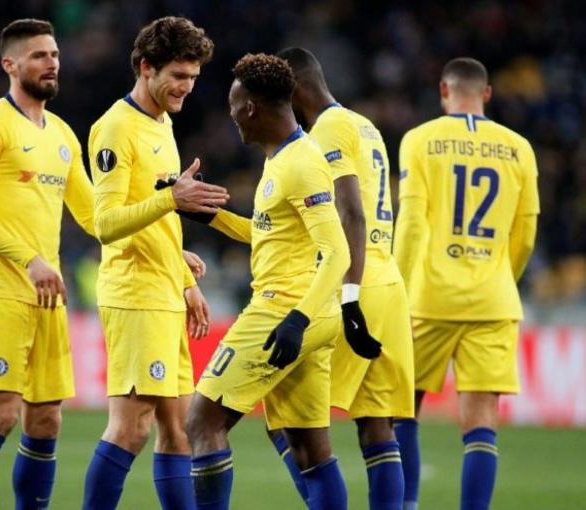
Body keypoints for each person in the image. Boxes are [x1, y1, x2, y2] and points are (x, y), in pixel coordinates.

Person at [184, 53, 352, 510]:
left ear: (251, 108)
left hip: (283, 312)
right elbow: (267, 233)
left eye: (233, 107)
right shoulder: (284, 159)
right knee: (310, 451)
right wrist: (208, 215)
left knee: (202, 423)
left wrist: (296, 319)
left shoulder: (301, 164)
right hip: (312, 314)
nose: (232, 116)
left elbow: (338, 251)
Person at [0, 19, 97, 509]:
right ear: (9, 65)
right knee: (0, 414)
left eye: (54, 54)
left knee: (47, 420)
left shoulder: (63, 135)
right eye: (39, 56)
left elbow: (95, 216)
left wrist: (166, 243)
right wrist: (30, 259)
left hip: (47, 295)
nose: (51, 63)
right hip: (0, 289)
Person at [82, 16, 224, 510]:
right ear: (146, 67)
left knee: (178, 430)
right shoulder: (115, 128)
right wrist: (172, 200)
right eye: (178, 76)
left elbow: (152, 216)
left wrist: (184, 277)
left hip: (163, 290)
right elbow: (106, 223)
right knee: (131, 429)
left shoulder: (162, 123)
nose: (187, 87)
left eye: (193, 77)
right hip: (134, 295)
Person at [270, 46, 413, 510]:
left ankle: (321, 501)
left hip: (355, 282)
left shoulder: (327, 130)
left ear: (294, 88)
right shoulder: (364, 125)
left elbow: (351, 209)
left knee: (279, 408)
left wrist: (349, 295)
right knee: (377, 424)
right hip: (387, 280)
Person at [393, 57, 539, 510]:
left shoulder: (419, 140)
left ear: (444, 90)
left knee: (401, 409)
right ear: (487, 94)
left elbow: (411, 223)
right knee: (481, 424)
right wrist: (500, 277)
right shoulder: (519, 148)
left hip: (429, 297)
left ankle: (407, 506)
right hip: (494, 300)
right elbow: (525, 235)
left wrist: (397, 290)